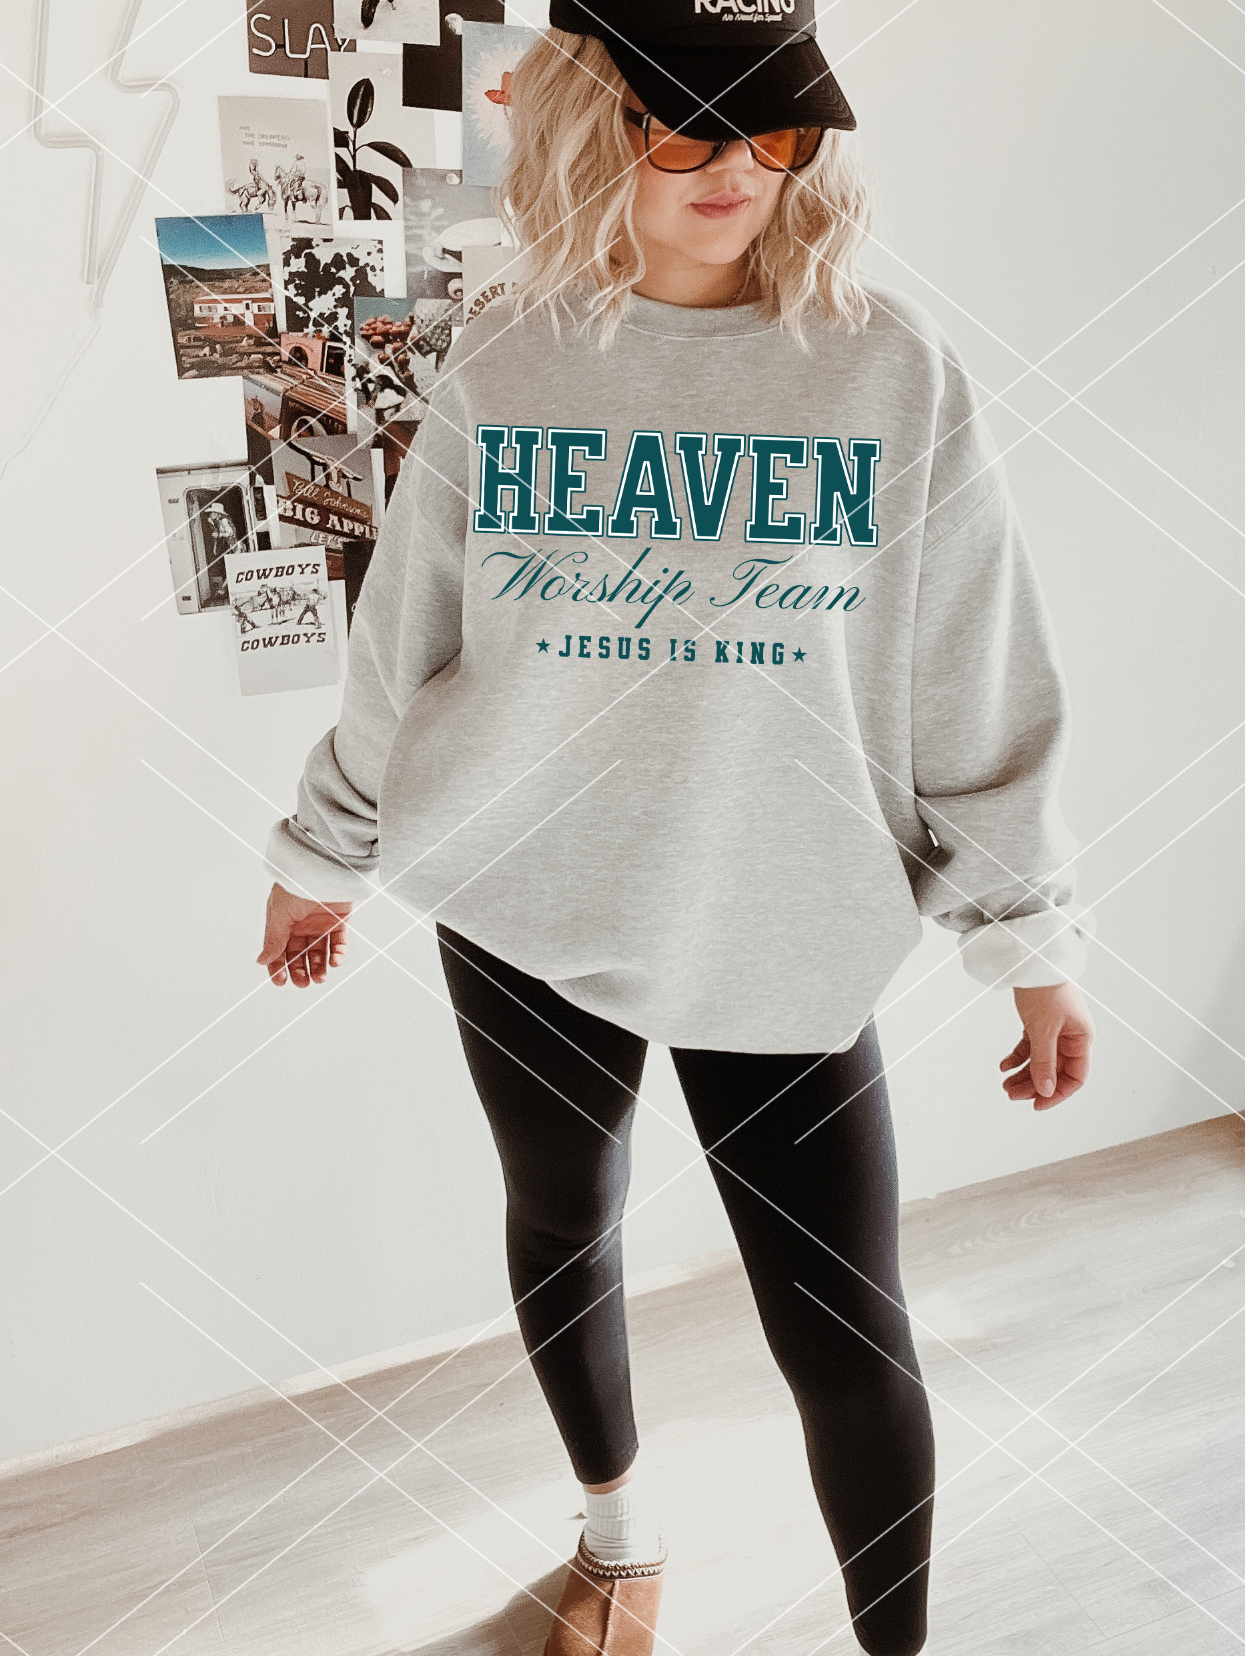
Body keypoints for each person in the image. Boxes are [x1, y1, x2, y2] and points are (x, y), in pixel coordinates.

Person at [255, 4, 1097, 1653]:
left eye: (778, 133)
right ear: (595, 128)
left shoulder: (885, 368)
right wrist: (320, 857)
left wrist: (1030, 942)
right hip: (523, 890)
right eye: (690, 129)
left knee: (843, 1323)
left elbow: (973, 672)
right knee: (563, 1218)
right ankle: (618, 1539)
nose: (739, 169)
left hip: (782, 910)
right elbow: (402, 644)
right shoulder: (509, 358)